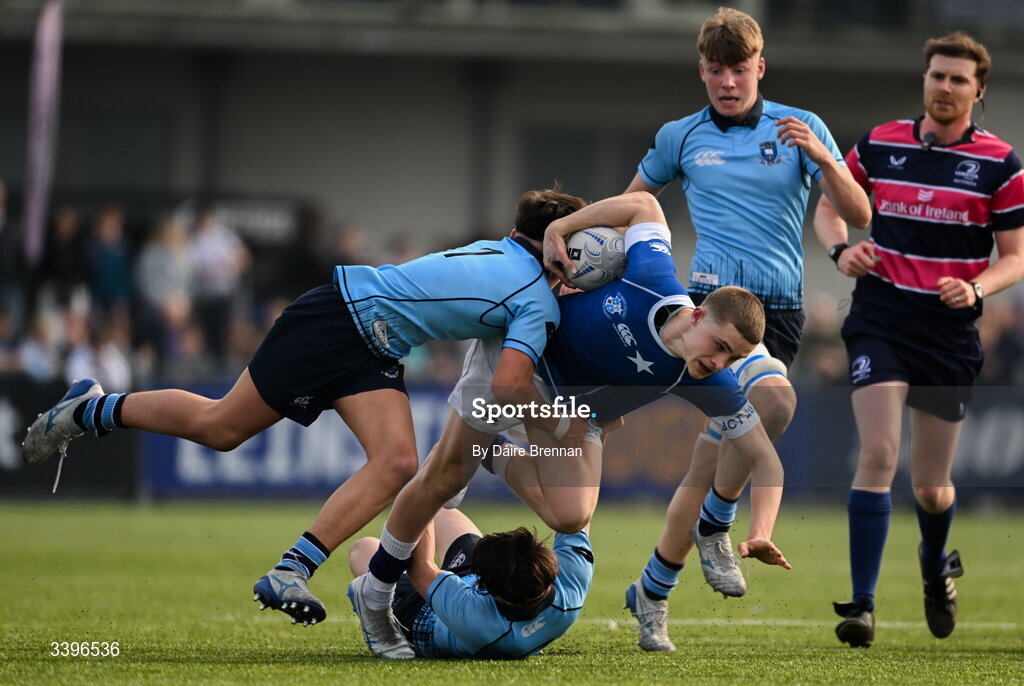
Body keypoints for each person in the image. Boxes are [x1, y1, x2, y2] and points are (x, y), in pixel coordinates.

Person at [21, 187, 592, 628]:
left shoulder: (508, 254)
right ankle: (93, 407)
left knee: (397, 465)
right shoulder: (536, 295)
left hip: (374, 343)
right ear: (556, 245)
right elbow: (511, 384)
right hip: (339, 321)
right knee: (221, 427)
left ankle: (289, 570)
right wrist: (563, 432)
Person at [352, 190, 790, 659]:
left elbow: (766, 461)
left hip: (572, 417)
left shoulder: (709, 380)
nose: (719, 360)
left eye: (734, 357)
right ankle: (376, 592)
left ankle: (497, 454)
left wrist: (761, 530)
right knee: (443, 480)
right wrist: (562, 228)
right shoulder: (652, 278)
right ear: (699, 314)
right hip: (520, 361)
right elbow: (644, 203)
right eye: (719, 344)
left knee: (569, 516)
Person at [609, 6, 871, 651]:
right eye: (716, 70)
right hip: (711, 309)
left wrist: (824, 161)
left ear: (760, 67)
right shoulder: (681, 136)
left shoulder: (800, 127)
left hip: (778, 315)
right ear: (703, 70)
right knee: (774, 405)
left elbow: (859, 213)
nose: (728, 81)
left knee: (711, 453)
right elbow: (633, 208)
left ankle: (654, 590)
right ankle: (716, 525)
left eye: (739, 69)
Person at [813, 32, 1024, 648]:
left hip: (949, 333)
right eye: (937, 75)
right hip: (880, 319)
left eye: (959, 79)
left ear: (978, 91)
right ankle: (862, 605)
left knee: (931, 486)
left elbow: (1015, 256)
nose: (945, 87)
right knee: (878, 456)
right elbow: (831, 205)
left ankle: (935, 569)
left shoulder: (1002, 164)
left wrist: (980, 289)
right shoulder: (881, 143)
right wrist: (840, 248)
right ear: (924, 80)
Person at [348, 504, 593, 659]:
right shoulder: (569, 584)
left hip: (426, 619)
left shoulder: (479, 622)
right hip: (487, 589)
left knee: (363, 548)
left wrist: (427, 485)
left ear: (485, 587)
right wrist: (591, 435)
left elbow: (421, 567)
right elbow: (576, 512)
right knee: (445, 511)